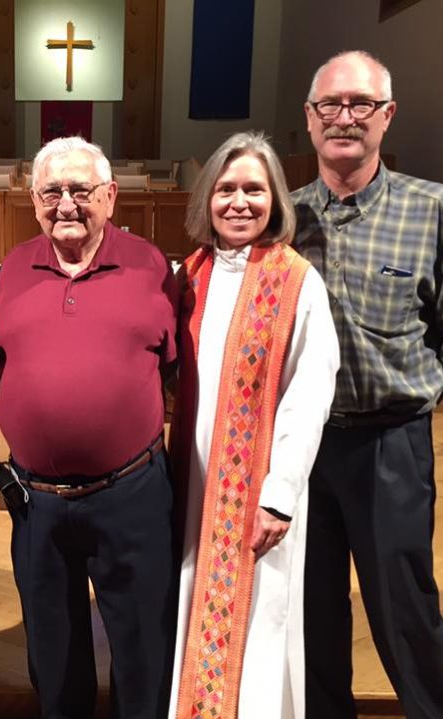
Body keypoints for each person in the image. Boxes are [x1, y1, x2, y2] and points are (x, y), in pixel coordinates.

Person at [291, 50, 443, 719]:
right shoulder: (284, 219)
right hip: (302, 448)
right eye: (331, 104)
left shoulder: (436, 209)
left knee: (405, 608)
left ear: (387, 116)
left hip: (392, 445)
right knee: (310, 611)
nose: (345, 117)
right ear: (310, 118)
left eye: (361, 103)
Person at [0, 136, 179, 719]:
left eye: (81, 190)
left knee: (143, 647)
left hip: (132, 494)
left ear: (111, 196)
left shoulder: (153, 267)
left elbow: (173, 366)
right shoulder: (12, 268)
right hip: (37, 502)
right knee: (53, 651)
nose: (66, 204)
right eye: (52, 192)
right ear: (33, 200)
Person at [166, 131, 338, 719]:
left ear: (275, 199)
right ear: (207, 199)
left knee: (259, 615)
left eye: (254, 190)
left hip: (258, 488)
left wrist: (279, 494)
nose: (239, 202)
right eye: (226, 189)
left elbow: (310, 393)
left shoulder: (296, 281)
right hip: (192, 481)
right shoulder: (189, 275)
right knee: (190, 602)